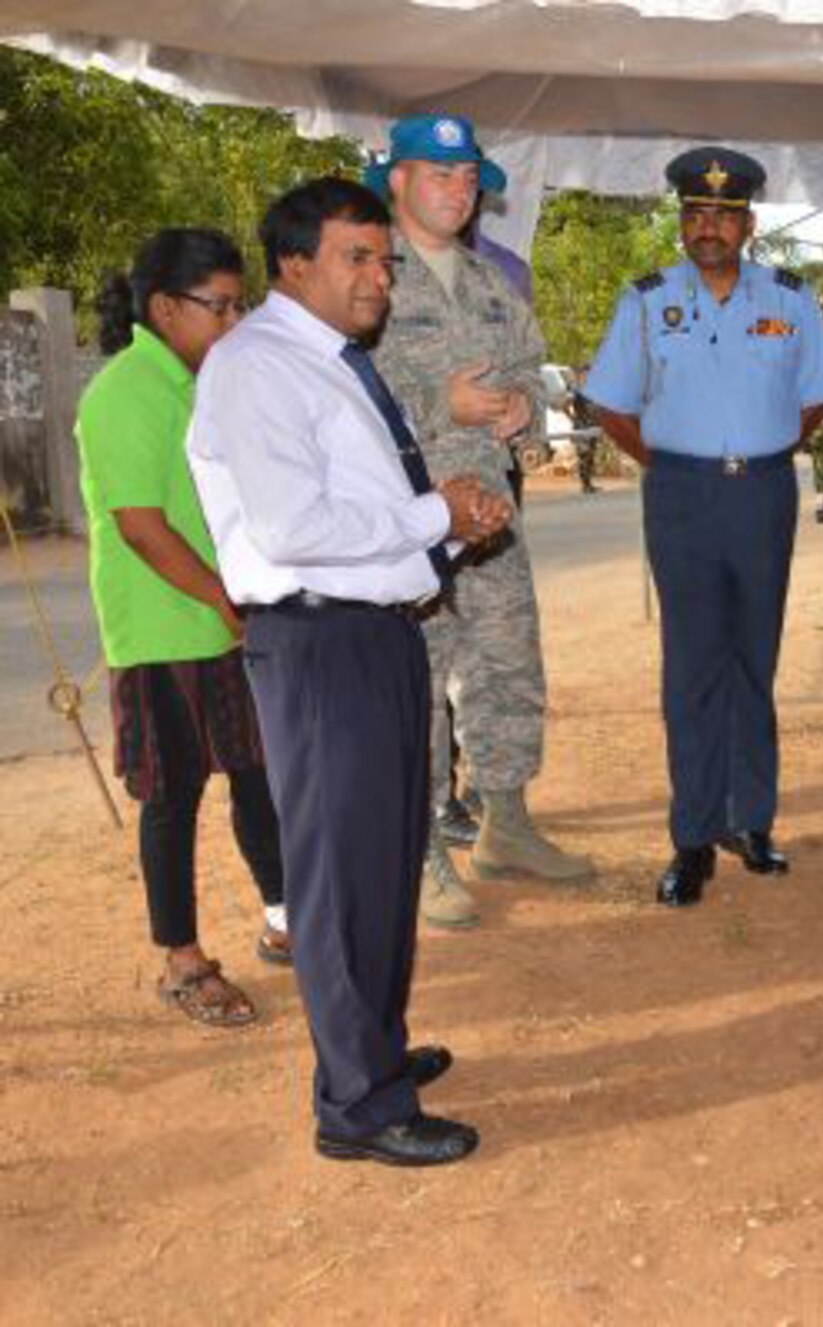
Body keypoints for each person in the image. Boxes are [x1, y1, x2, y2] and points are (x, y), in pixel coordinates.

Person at [187, 176, 512, 1166]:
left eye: (383, 258)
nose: (379, 277)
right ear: (295, 265)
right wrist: (433, 517)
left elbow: (357, 511)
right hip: (318, 644)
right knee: (339, 879)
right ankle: (357, 1107)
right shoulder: (257, 367)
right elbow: (290, 528)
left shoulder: (331, 362)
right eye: (356, 257)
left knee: (382, 858)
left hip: (372, 635)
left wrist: (449, 534)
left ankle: (374, 1051)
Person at [587, 147, 823, 905]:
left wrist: (762, 450)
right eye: (695, 215)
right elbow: (611, 403)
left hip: (762, 495)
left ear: (748, 224)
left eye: (723, 217)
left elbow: (818, 396)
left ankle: (752, 819)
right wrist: (670, 461)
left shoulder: (792, 301)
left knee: (753, 662)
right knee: (692, 669)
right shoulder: (644, 301)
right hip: (682, 497)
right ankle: (693, 835)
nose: (708, 229)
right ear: (681, 223)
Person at [367, 113, 593, 930]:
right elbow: (332, 401)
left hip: (491, 520)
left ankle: (506, 823)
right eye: (439, 173)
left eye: (469, 179)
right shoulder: (365, 281)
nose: (458, 190)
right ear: (396, 178)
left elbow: (536, 379)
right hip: (404, 523)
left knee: (506, 667)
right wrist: (442, 404)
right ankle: (421, 848)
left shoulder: (496, 284)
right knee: (417, 688)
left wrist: (522, 412)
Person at [76, 229, 286, 1028]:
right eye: (220, 306)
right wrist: (224, 601)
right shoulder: (126, 390)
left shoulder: (205, 381)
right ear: (166, 307)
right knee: (174, 797)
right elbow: (140, 526)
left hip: (225, 617)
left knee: (259, 775)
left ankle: (286, 916)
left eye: (241, 304)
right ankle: (183, 960)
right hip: (165, 629)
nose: (234, 321)